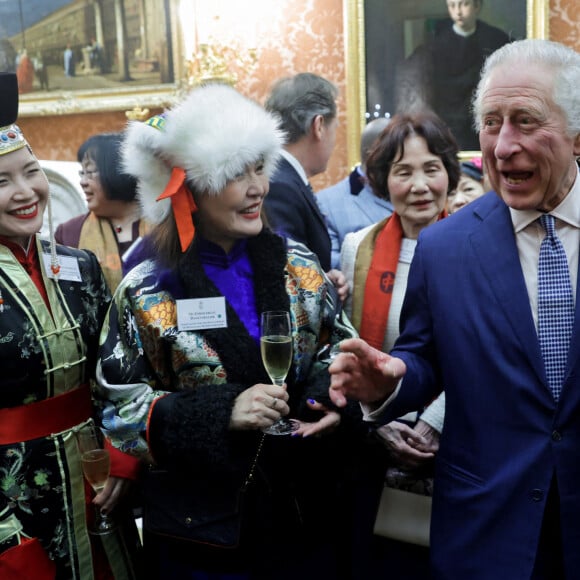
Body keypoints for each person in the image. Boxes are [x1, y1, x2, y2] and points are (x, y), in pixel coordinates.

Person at [329, 39, 580, 579]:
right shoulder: (446, 247)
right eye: (491, 123)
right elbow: (426, 358)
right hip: (488, 532)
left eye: (526, 121)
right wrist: (393, 381)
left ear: (577, 134)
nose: (503, 145)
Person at [94, 82, 366, 579]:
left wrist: (325, 400)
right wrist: (221, 412)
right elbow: (117, 405)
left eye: (259, 167)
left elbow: (338, 351)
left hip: (301, 520)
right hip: (199, 535)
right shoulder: (146, 288)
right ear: (190, 188)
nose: (257, 187)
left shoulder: (300, 267)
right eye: (235, 174)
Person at [0, 72, 139, 578]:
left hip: (100, 487)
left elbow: (121, 368)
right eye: (2, 180)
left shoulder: (80, 266)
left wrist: (124, 456)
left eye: (30, 172)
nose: (24, 192)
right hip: (15, 503)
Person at [339, 112, 459, 578]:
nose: (419, 185)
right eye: (403, 171)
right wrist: (379, 421)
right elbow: (349, 345)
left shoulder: (477, 244)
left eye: (431, 168)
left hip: (454, 439)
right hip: (374, 443)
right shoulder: (357, 248)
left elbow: (483, 354)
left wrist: (432, 424)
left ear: (449, 172)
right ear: (382, 180)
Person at [263, 73, 347, 300]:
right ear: (318, 126)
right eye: (335, 128)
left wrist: (324, 278)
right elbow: (287, 278)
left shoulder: (284, 179)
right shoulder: (280, 187)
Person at [396, 0, 511, 150]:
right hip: (449, 123)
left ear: (477, 6)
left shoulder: (496, 39)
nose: (458, 12)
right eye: (452, 5)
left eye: (464, 4)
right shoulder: (435, 46)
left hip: (484, 121)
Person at [55, 132, 154, 292]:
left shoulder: (165, 228)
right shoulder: (69, 233)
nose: (82, 182)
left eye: (90, 172)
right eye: (82, 173)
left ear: (117, 171)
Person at [316, 117, 394, 269]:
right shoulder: (326, 204)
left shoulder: (416, 194)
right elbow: (331, 267)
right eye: (393, 155)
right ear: (372, 154)